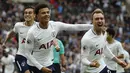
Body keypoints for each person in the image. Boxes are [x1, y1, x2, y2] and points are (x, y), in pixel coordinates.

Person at [24, 3, 93, 73]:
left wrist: (93, 26)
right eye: (43, 13)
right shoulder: (32, 32)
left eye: (48, 12)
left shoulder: (54, 25)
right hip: (35, 66)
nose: (46, 14)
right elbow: (27, 53)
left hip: (49, 64)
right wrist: (41, 68)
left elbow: (75, 27)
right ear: (36, 16)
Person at [80, 8, 127, 73]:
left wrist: (118, 61)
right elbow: (83, 59)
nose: (100, 20)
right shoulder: (87, 39)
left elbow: (104, 48)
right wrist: (91, 64)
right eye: (97, 19)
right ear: (92, 21)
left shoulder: (104, 33)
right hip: (88, 70)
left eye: (101, 18)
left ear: (104, 20)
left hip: (101, 66)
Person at [2, 6, 36, 73]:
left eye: (30, 13)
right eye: (25, 13)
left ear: (34, 15)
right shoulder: (18, 26)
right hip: (21, 56)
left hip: (33, 58)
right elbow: (11, 33)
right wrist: (5, 42)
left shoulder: (38, 27)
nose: (27, 14)